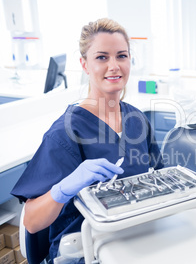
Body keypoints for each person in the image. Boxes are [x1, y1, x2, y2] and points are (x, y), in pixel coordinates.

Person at [11, 18, 163, 262]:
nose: (114, 66)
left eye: (121, 56)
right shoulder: (65, 132)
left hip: (135, 237)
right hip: (82, 249)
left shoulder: (137, 119)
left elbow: (158, 177)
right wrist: (63, 190)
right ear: (84, 64)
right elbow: (31, 222)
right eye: (102, 57)